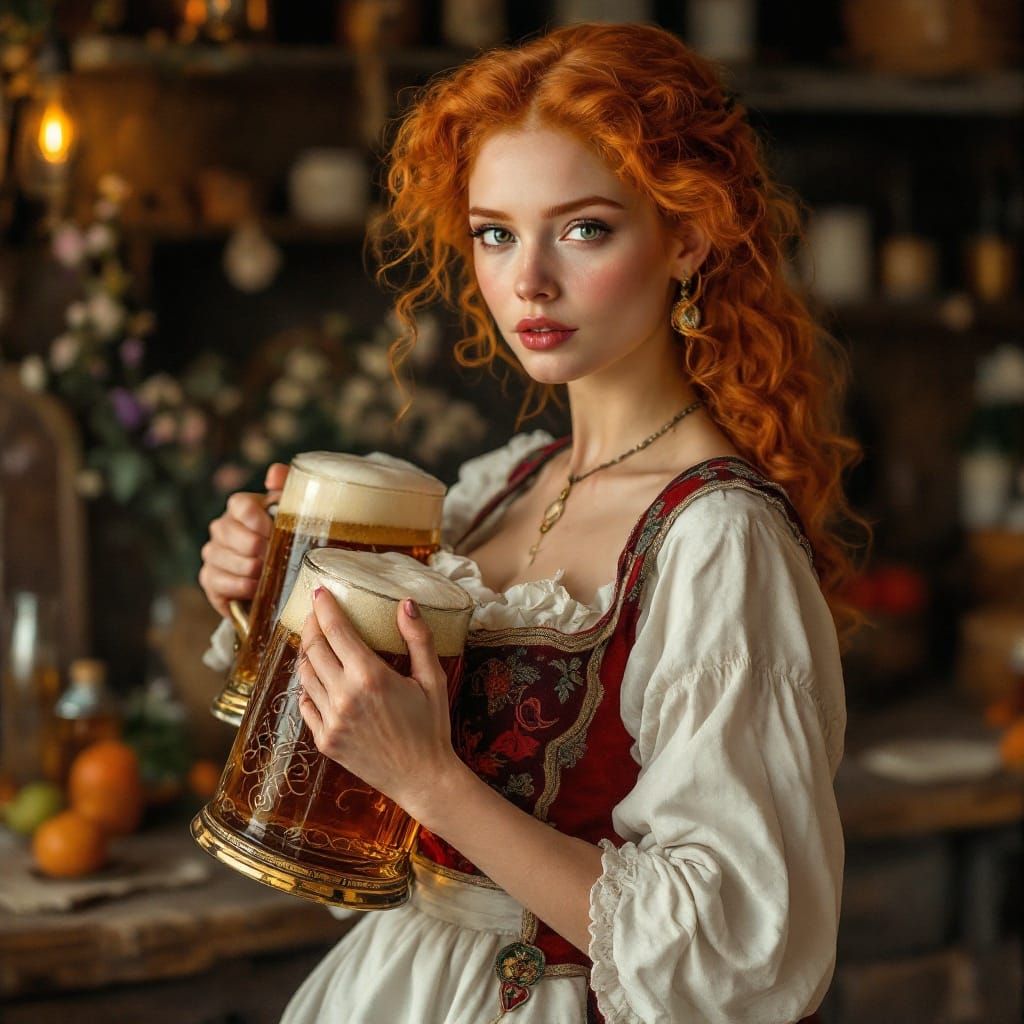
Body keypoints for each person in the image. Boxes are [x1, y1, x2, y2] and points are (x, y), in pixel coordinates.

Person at [199, 22, 867, 1024]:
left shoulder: (716, 537)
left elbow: (740, 954)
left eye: (584, 228)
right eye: (495, 232)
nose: (529, 282)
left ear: (686, 237)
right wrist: (265, 603)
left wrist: (431, 779)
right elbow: (347, 764)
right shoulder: (502, 486)